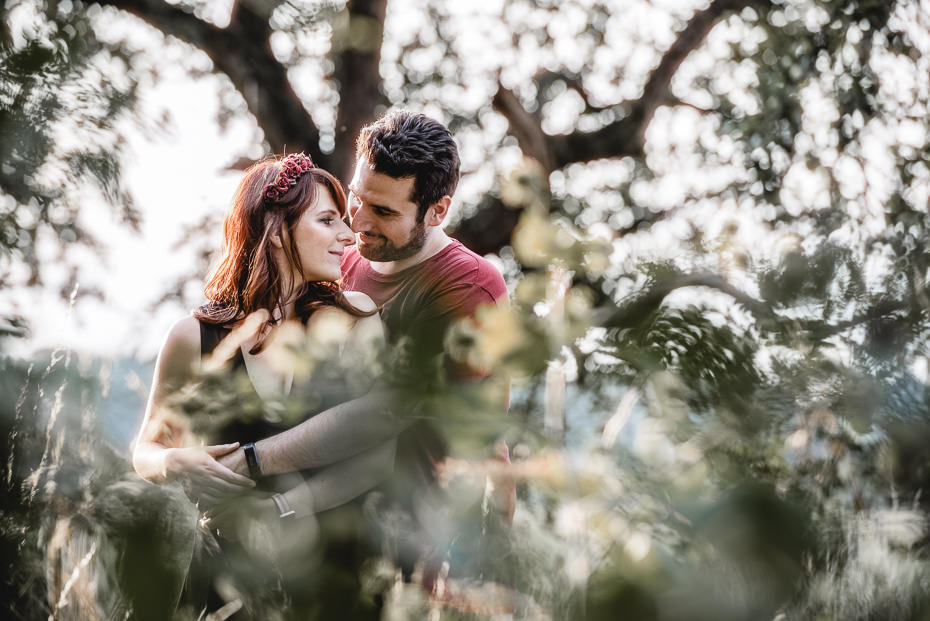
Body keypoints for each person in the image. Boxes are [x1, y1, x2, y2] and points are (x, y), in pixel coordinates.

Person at [217, 111, 514, 604]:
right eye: (356, 197)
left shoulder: (467, 287)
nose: (358, 221)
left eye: (384, 212)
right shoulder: (338, 261)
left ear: (437, 211)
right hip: (316, 534)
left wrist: (249, 463)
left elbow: (387, 414)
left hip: (414, 543)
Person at [131, 153, 392, 617]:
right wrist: (176, 462)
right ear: (276, 232)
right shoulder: (194, 337)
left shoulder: (356, 320)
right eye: (328, 220)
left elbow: (378, 457)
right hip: (227, 582)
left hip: (334, 579)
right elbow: (147, 449)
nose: (348, 237)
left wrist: (277, 511)